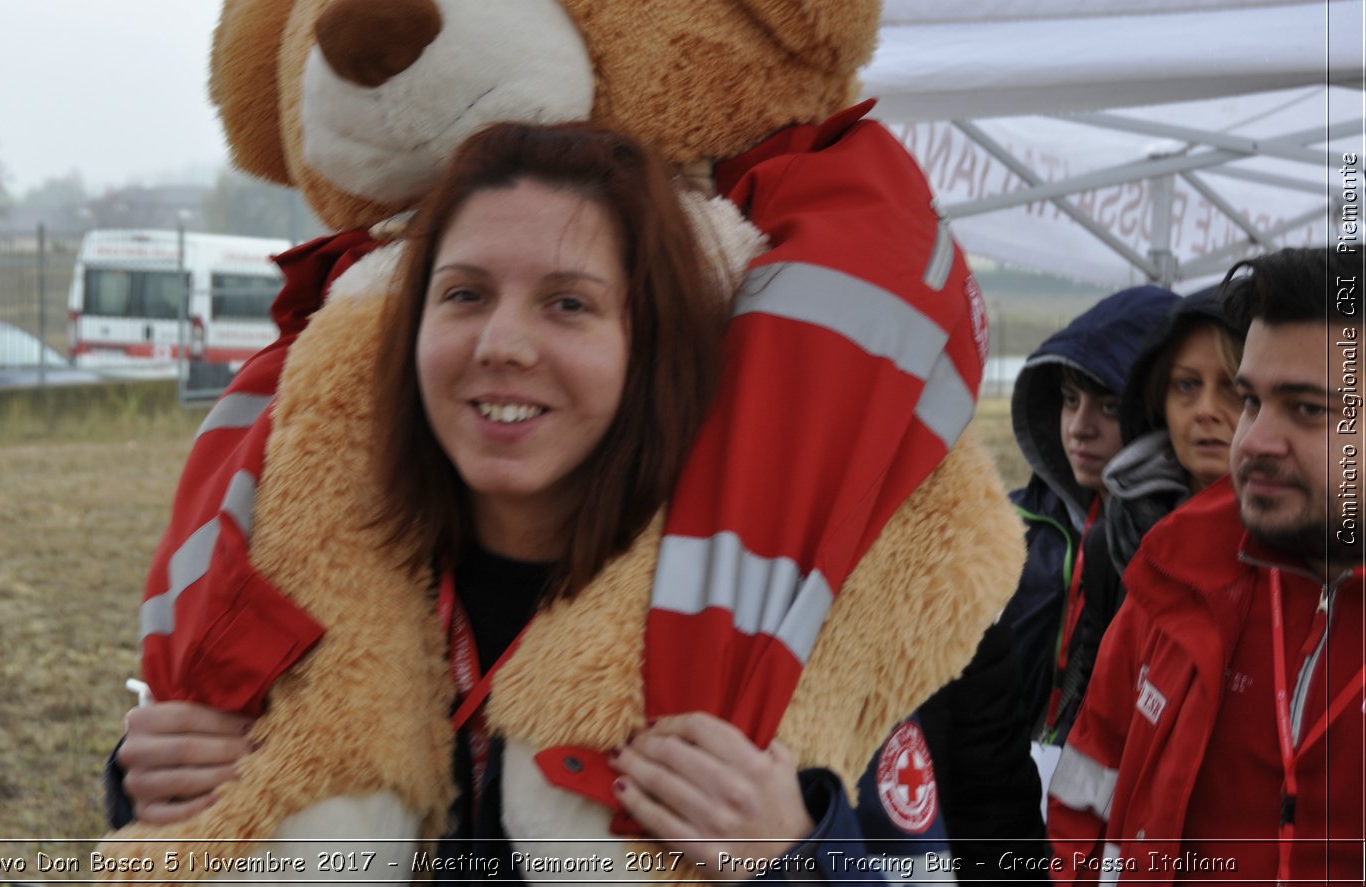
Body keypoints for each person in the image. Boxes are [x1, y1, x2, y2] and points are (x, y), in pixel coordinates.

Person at [108, 122, 950, 879]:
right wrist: (150, 775)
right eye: (465, 294)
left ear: (650, 344)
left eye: (569, 303)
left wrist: (798, 853)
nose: (502, 344)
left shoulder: (772, 611)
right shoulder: (303, 581)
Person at [1047, 246, 1365, 883]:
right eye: (1253, 401)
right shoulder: (1172, 583)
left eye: (1306, 409)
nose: (1253, 440)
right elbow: (1083, 806)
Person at [1042, 287, 1245, 741]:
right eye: (1186, 385)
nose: (1206, 410)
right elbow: (1096, 714)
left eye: (1233, 386)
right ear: (1159, 401)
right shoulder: (1111, 542)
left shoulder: (1303, 548)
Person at [999, 287, 1179, 753]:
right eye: (1068, 398)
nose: (1079, 427)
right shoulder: (1009, 524)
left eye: (1110, 406)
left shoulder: (1175, 553)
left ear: (1158, 413)